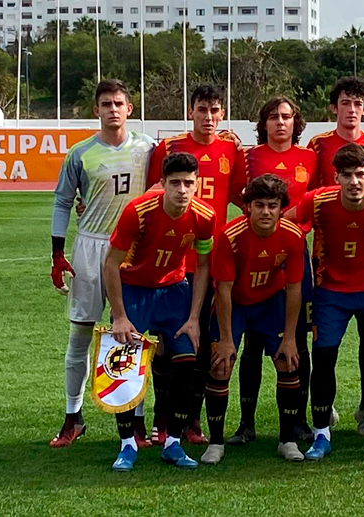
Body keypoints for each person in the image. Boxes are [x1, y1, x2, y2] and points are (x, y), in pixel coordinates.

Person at [49, 79, 156, 448]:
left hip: (135, 250)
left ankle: (137, 422)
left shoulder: (148, 147)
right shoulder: (80, 154)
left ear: (130, 108)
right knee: (80, 333)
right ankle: (72, 416)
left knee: (137, 336)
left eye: (119, 103)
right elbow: (63, 202)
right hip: (92, 248)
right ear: (96, 110)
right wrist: (57, 252)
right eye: (106, 103)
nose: (113, 109)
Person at [289, 143, 364, 461]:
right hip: (331, 291)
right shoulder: (317, 202)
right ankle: (321, 435)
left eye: (360, 174)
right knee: (324, 356)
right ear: (335, 178)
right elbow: (286, 226)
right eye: (347, 175)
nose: (354, 181)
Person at [103, 152, 215, 471]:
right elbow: (111, 263)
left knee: (187, 363)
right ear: (163, 183)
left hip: (174, 291)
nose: (182, 189)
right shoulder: (138, 212)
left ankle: (173, 443)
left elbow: (203, 265)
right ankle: (127, 445)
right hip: (134, 291)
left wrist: (194, 318)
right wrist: (120, 315)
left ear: (197, 185)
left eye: (188, 183)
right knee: (123, 365)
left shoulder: (204, 216)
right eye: (176, 183)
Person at [146, 84, 239, 446]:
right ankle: (162, 417)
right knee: (168, 342)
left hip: (210, 260)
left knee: (200, 342)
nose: (209, 117)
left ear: (222, 112)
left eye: (215, 110)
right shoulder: (169, 148)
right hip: (172, 261)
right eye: (202, 109)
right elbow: (151, 194)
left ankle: (192, 419)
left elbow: (244, 197)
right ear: (191, 111)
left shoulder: (231, 148)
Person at [226, 96, 317, 445]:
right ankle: (245, 423)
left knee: (298, 340)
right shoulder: (247, 156)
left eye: (287, 116)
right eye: (273, 117)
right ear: (262, 123)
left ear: (296, 122)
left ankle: (299, 420)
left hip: (295, 252)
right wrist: (262, 219)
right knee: (251, 342)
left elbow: (317, 198)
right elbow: (236, 194)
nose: (280, 122)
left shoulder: (309, 157)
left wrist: (289, 223)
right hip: (253, 252)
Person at [201, 174, 306, 464]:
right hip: (234, 304)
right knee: (221, 366)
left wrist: (290, 337)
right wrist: (225, 339)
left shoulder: (293, 235)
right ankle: (216, 442)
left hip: (271, 303)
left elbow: (294, 288)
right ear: (247, 207)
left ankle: (287, 440)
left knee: (288, 361)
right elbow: (222, 289)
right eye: (258, 205)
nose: (266, 212)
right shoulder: (229, 236)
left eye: (272, 205)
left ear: (282, 207)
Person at [307, 77, 364, 435]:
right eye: (344, 103)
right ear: (333, 107)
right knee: (324, 340)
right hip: (325, 257)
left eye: (357, 103)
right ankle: (327, 404)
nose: (351, 110)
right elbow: (308, 196)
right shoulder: (318, 145)